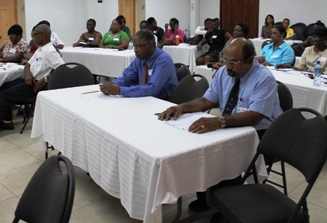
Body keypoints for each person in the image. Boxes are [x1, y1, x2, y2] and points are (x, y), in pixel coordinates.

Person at [158, 38, 282, 213]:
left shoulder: (264, 78)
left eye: (233, 62)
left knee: (221, 152)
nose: (228, 66)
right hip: (232, 125)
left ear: (249, 60)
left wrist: (220, 121)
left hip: (261, 131)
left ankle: (228, 207)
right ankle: (208, 199)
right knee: (195, 144)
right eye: (225, 60)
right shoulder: (225, 73)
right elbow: (206, 100)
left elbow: (255, 117)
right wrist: (181, 107)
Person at [0, 24, 64, 141]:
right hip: (30, 80)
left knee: (3, 96)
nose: (32, 39)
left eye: (34, 35)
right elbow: (29, 64)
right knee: (2, 86)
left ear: (43, 35)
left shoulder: (50, 51)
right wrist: (28, 74)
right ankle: (7, 121)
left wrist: (45, 79)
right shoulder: (41, 49)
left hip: (37, 86)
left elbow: (62, 70)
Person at [99, 30, 178, 99]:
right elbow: (128, 78)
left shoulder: (163, 60)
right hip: (145, 99)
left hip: (164, 101)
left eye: (138, 47)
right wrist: (113, 84)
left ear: (150, 45)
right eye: (134, 46)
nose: (135, 51)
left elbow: (152, 89)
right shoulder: (140, 58)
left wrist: (120, 90)